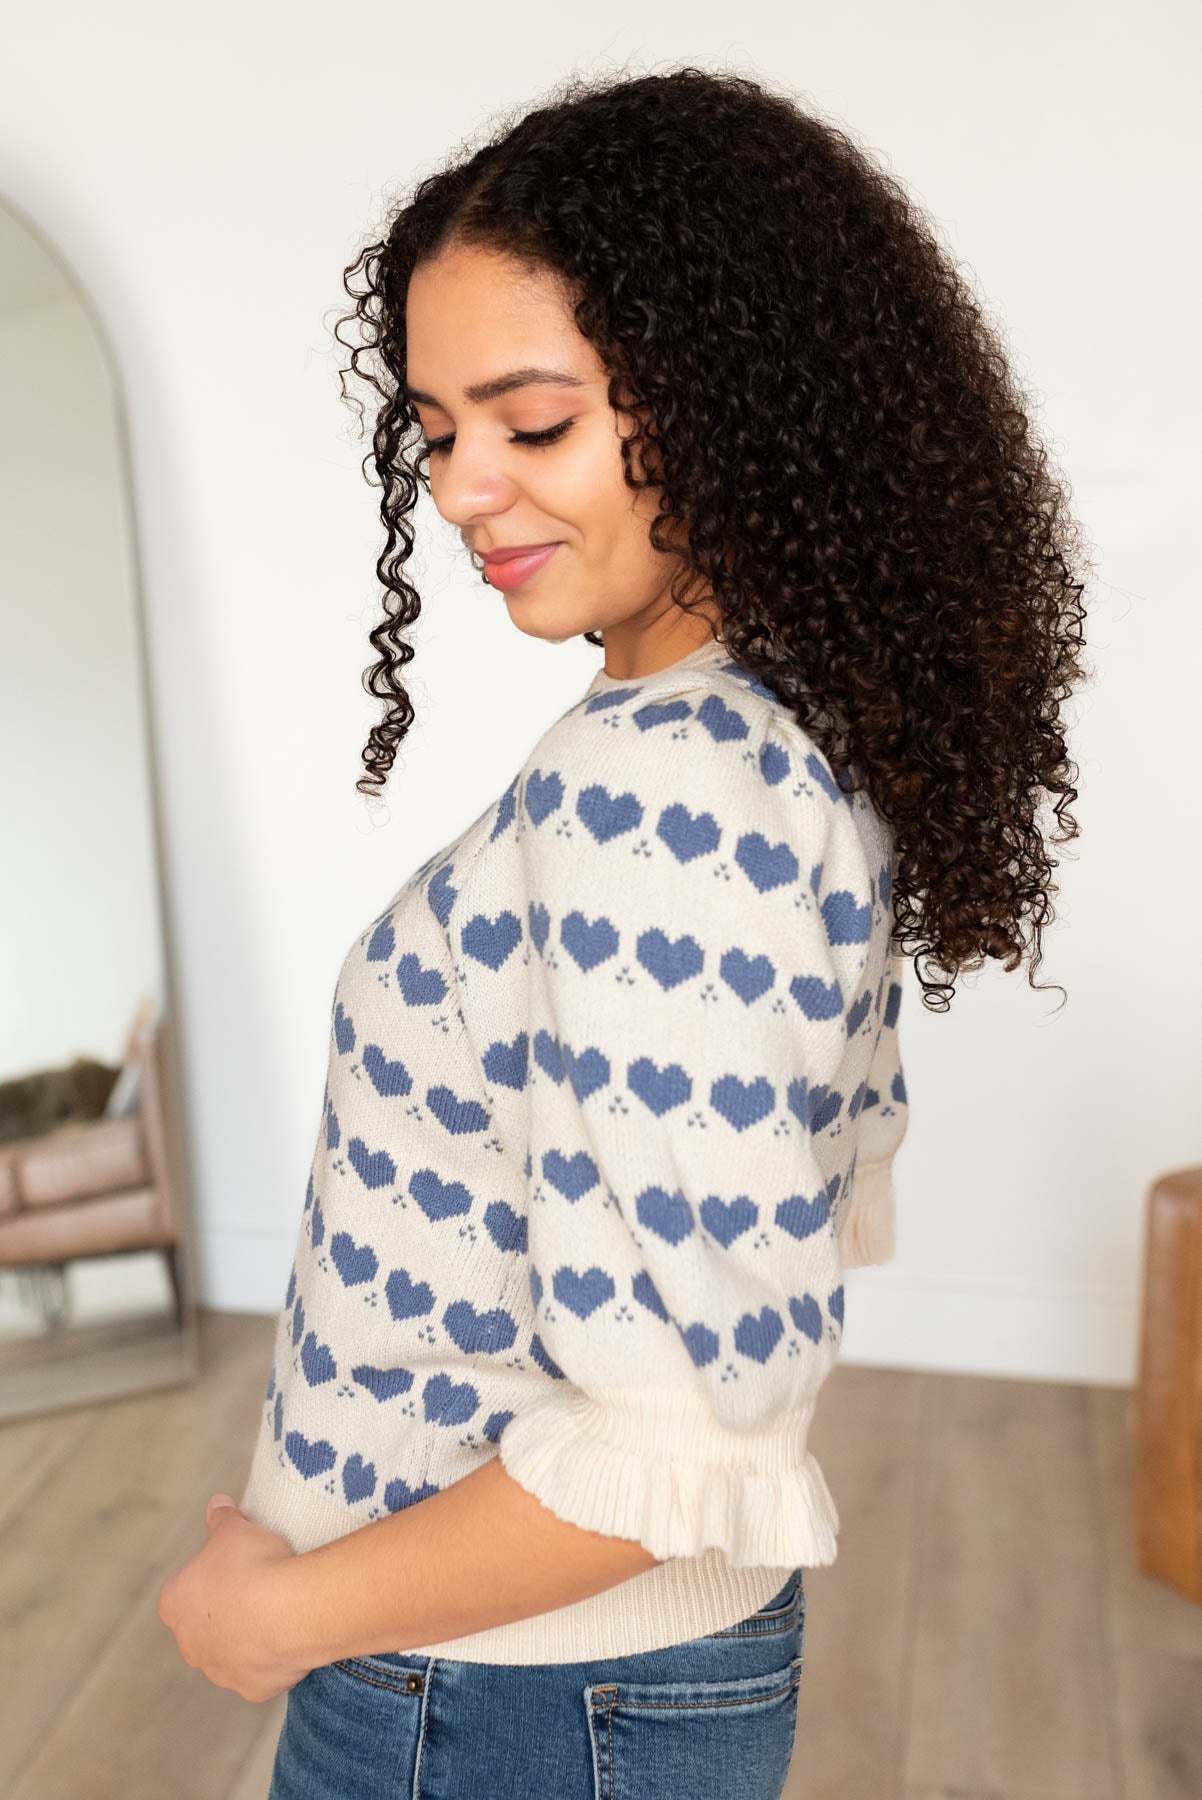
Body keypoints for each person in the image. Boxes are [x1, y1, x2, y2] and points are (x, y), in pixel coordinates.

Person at [159, 62, 1089, 1800]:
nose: (458, 489)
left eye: (532, 422)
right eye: (435, 430)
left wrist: (274, 1619)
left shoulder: (659, 798)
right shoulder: (769, 717)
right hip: (585, 1684)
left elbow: (664, 1433)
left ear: (732, 399)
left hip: (493, 1691)